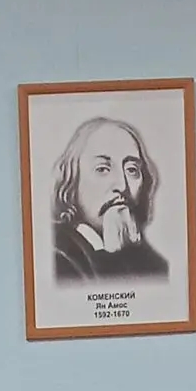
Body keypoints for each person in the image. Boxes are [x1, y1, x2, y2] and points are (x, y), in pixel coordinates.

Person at [51, 117, 170, 283]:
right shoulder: (58, 257)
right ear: (72, 180)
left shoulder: (155, 265)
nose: (122, 185)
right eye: (102, 169)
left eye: (132, 170)